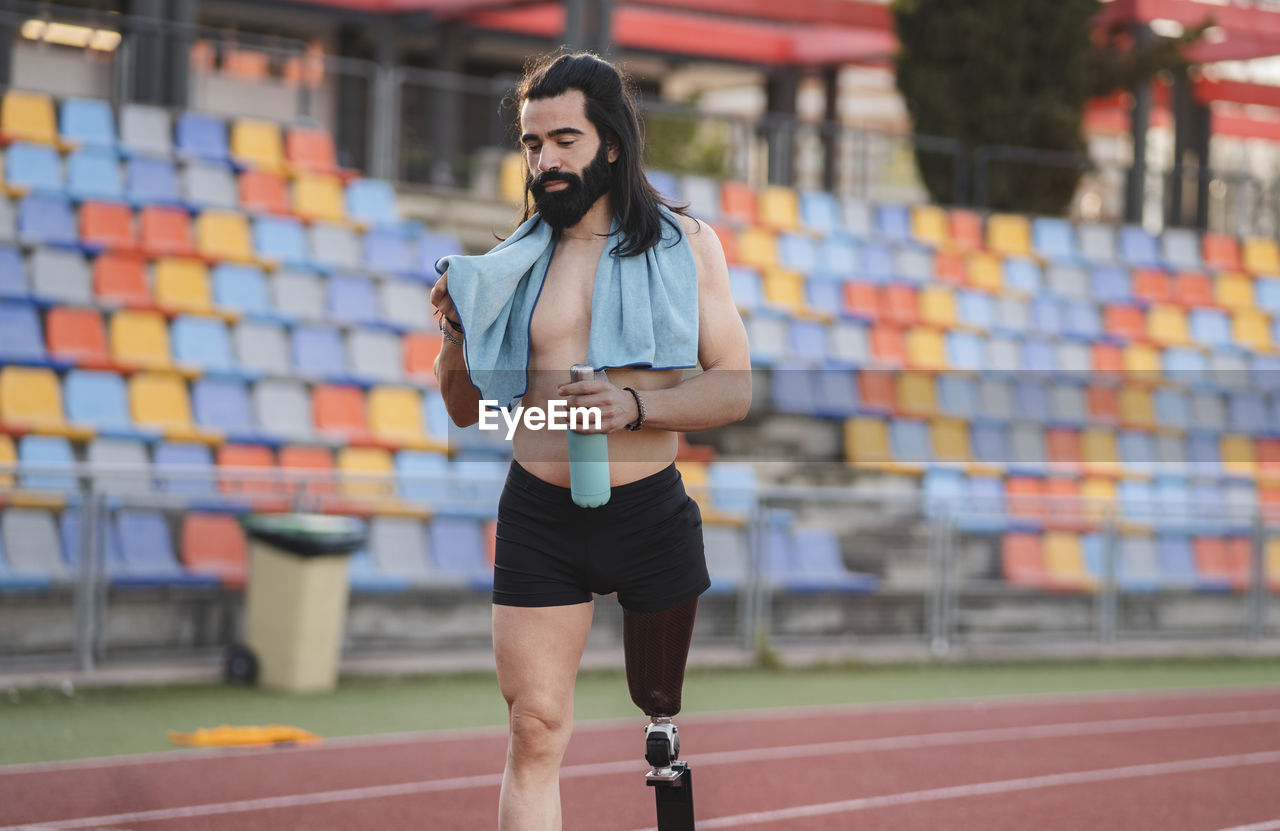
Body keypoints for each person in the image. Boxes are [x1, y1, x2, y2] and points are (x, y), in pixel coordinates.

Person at [431, 51, 751, 831]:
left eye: (564, 140)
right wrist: (452, 338)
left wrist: (632, 404)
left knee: (659, 712)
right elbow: (466, 410)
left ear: (611, 142)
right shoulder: (507, 266)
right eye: (533, 144)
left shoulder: (687, 246)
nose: (546, 161)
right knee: (534, 729)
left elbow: (734, 386)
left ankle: (664, 740)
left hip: (647, 513)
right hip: (542, 516)